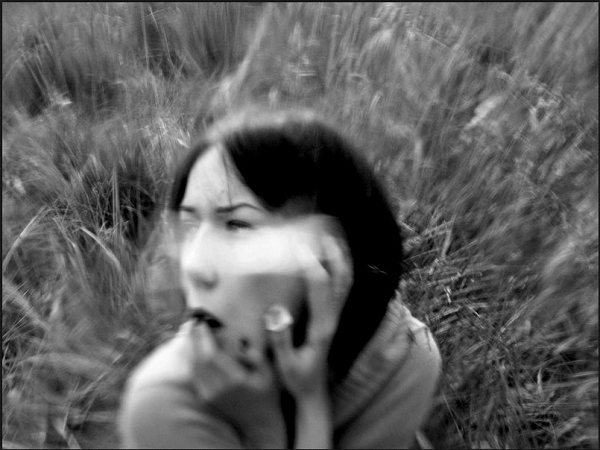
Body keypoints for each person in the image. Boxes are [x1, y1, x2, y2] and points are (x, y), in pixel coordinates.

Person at [119, 106, 441, 449]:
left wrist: (291, 408)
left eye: (238, 225)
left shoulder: (402, 359)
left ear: (331, 255)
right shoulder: (164, 403)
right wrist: (266, 421)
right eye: (189, 225)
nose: (194, 265)